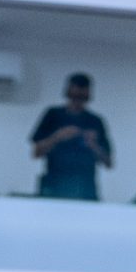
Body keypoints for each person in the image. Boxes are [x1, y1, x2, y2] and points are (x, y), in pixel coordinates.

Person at [31, 73, 113, 202]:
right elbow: (36, 153)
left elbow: (109, 163)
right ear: (68, 91)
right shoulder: (53, 115)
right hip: (54, 185)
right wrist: (57, 137)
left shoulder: (95, 121)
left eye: (82, 94)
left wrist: (94, 145)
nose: (77, 98)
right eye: (75, 93)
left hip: (85, 188)